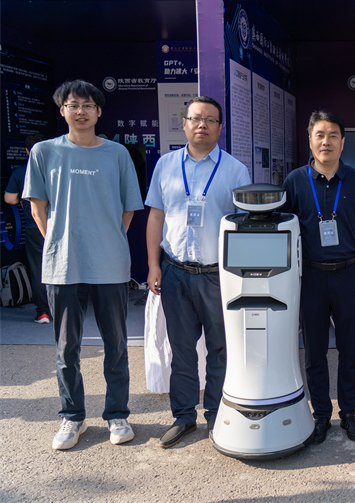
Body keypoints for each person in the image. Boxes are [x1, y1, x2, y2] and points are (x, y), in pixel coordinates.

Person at [23, 79, 144, 450]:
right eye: (73, 104)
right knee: (66, 348)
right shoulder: (44, 152)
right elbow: (38, 208)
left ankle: (117, 415)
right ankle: (72, 416)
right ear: (62, 110)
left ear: (98, 111)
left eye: (87, 105)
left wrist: (107, 240)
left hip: (110, 264)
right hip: (63, 265)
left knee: (116, 345)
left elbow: (128, 208)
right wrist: (60, 243)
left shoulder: (117, 154)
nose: (80, 111)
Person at [145, 96, 250, 448]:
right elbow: (156, 216)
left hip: (218, 275)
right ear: (184, 123)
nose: (202, 124)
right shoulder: (166, 165)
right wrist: (153, 265)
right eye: (195, 118)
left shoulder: (235, 170)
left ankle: (216, 415)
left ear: (220, 127)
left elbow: (243, 227)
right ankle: (183, 416)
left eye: (210, 119)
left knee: (220, 349)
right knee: (182, 349)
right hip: (175, 272)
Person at [282, 110, 355, 444]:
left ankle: (349, 413)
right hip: (309, 277)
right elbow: (285, 233)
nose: (326, 141)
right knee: (314, 352)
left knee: (350, 351)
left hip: (350, 275)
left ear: (343, 142)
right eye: (320, 135)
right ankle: (320, 414)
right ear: (310, 140)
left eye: (333, 135)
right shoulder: (294, 181)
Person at [4, 133, 51, 323]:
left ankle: (43, 312)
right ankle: (66, 309)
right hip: (59, 226)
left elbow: (9, 198)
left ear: (27, 151)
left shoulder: (20, 172)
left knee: (38, 269)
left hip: (35, 227)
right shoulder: (57, 170)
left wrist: (22, 200)